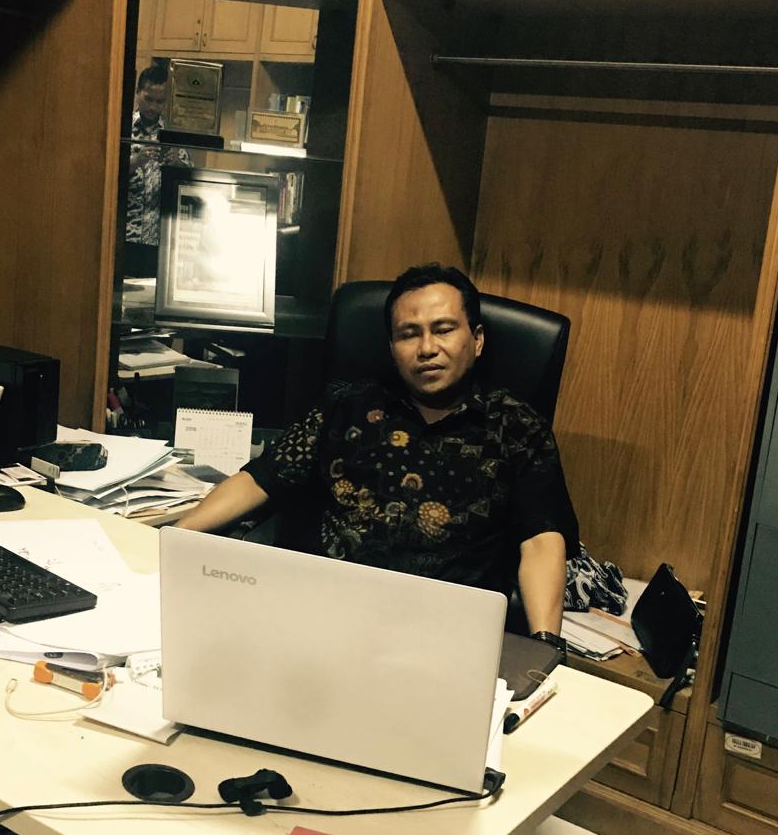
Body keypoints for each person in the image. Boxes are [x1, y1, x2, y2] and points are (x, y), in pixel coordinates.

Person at [177, 263, 579, 644]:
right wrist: (176, 538)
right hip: (327, 615)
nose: (427, 348)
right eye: (408, 334)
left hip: (447, 632)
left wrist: (545, 645)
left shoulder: (515, 425)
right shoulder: (346, 406)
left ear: (476, 340)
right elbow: (262, 478)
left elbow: (541, 539)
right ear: (391, 347)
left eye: (443, 330)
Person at [126, 65, 191, 247]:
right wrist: (135, 162)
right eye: (148, 99)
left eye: (160, 101)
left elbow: (189, 182)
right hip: (125, 233)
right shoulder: (123, 130)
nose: (153, 107)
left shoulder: (172, 134)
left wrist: (177, 164)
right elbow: (106, 178)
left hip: (161, 238)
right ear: (138, 93)